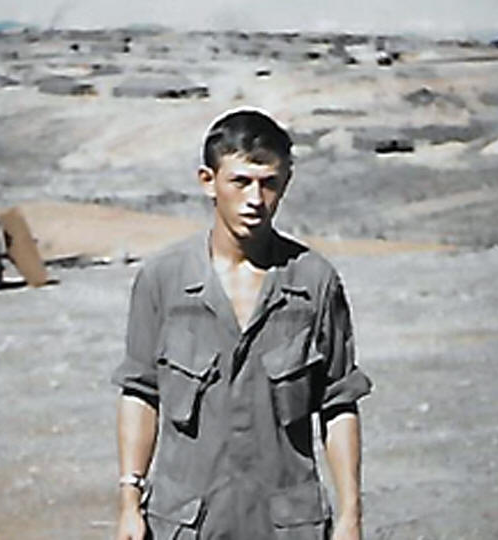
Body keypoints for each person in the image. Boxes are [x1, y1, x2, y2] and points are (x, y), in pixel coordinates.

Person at [112, 108, 372, 539]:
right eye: (240, 182)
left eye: (269, 183)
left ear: (286, 182)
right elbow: (140, 392)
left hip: (285, 526)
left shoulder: (314, 282)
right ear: (208, 181)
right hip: (188, 523)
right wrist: (128, 502)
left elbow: (339, 403)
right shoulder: (164, 280)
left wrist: (350, 516)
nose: (255, 199)